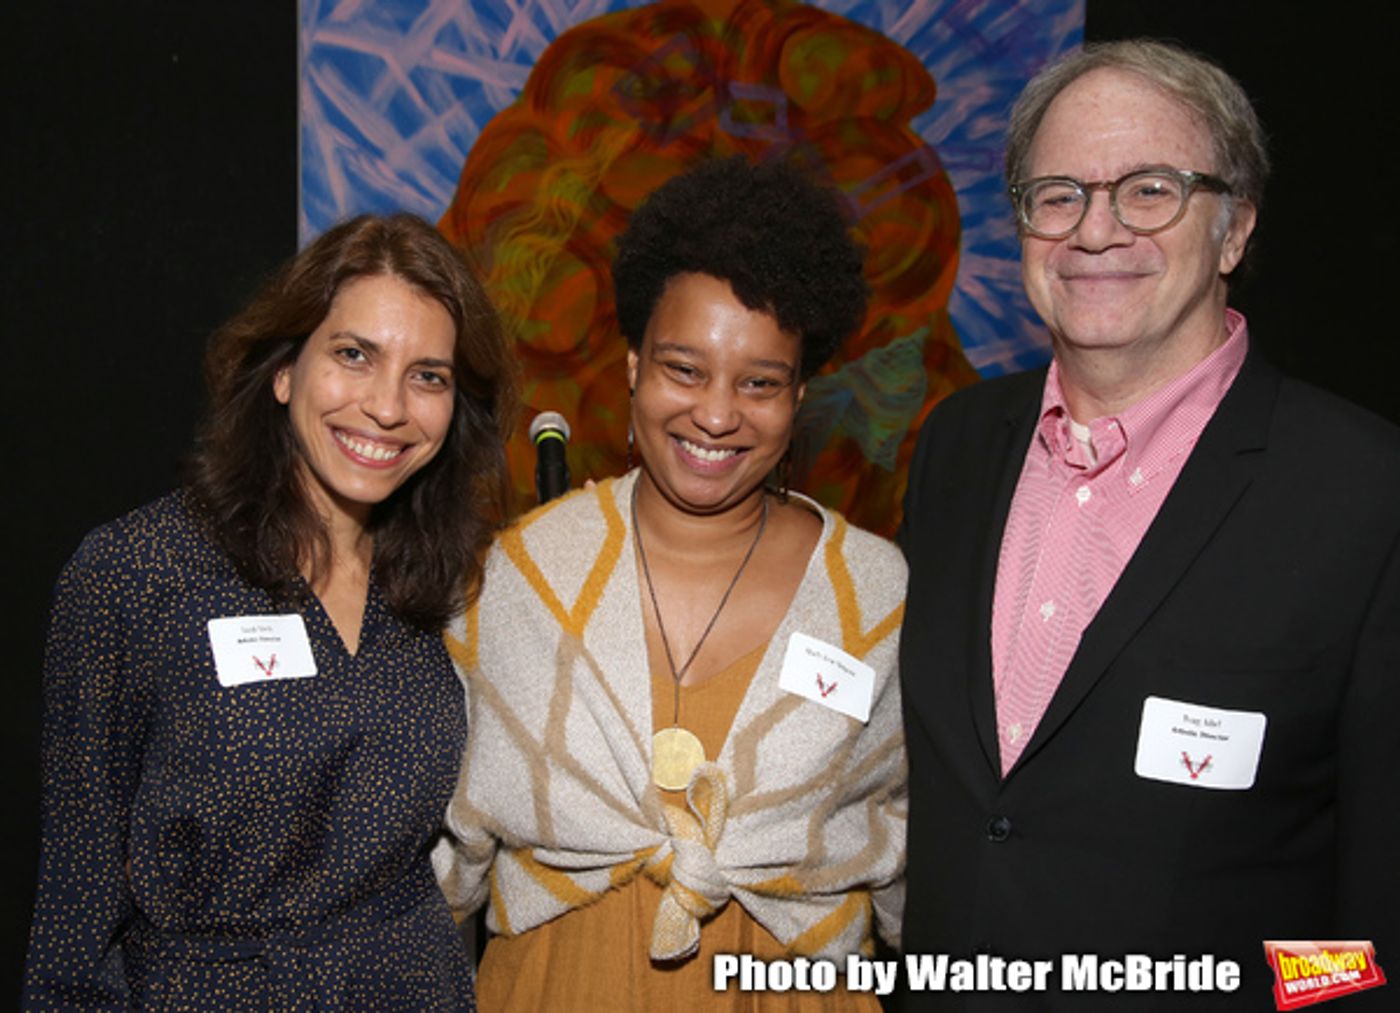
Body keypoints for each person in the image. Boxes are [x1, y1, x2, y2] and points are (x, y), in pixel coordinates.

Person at [898, 39, 1400, 1009]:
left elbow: (1376, 924)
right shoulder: (955, 447)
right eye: (1057, 194)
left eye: (1148, 190)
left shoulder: (1364, 497)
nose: (1094, 230)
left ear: (1233, 229)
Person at [436, 156, 908, 1010]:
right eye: (683, 369)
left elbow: (914, 836)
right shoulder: (524, 574)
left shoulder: (875, 593)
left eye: (759, 382)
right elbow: (441, 847)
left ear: (800, 393)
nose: (718, 413)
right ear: (631, 367)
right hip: (558, 987)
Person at [23, 213, 517, 1009]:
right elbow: (75, 909)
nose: (388, 407)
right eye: (354, 355)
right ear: (286, 369)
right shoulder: (138, 573)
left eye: (429, 375)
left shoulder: (445, 586)